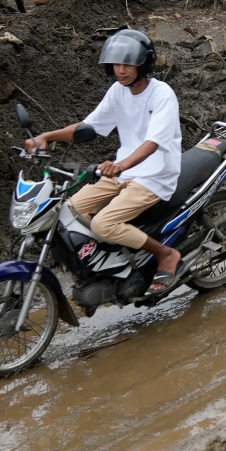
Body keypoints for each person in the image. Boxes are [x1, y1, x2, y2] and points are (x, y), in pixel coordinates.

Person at [23, 29, 186, 287]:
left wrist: (120, 165)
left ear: (144, 64)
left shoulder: (162, 94)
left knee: (103, 224)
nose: (121, 70)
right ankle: (110, 260)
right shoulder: (118, 91)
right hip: (122, 172)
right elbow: (91, 126)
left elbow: (153, 143)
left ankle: (165, 254)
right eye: (117, 64)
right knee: (68, 211)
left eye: (128, 64)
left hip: (155, 175)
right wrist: (47, 136)